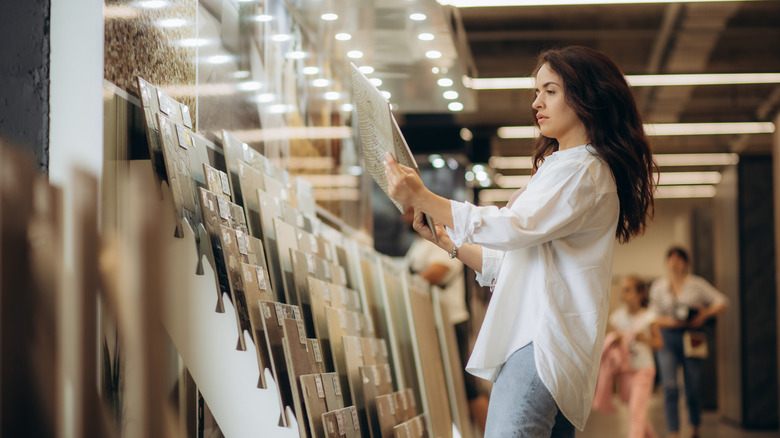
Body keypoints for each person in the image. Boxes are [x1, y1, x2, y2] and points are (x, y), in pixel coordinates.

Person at [383, 45, 656, 437]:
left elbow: (514, 227)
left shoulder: (585, 170)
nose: (536, 103)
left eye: (550, 91)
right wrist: (449, 243)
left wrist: (426, 199)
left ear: (586, 97)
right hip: (541, 345)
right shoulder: (565, 167)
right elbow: (512, 258)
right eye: (536, 92)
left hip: (541, 345)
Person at [401, 206, 490, 433]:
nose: (406, 218)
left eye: (410, 212)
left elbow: (439, 271)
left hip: (450, 322)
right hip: (430, 324)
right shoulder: (417, 246)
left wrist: (408, 285)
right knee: (445, 386)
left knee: (467, 387)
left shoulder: (440, 242)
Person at [649, 247, 727, 438]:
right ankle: (673, 432)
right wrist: (673, 322)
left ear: (686, 262)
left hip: (693, 336)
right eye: (671, 259)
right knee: (670, 386)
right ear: (667, 262)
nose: (675, 263)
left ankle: (694, 426)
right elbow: (652, 316)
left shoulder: (696, 284)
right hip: (668, 337)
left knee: (693, 384)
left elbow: (722, 301)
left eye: (679, 259)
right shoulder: (659, 286)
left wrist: (703, 315)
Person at [593, 275, 663, 438]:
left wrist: (646, 339)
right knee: (638, 412)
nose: (623, 294)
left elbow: (660, 343)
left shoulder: (649, 317)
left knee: (636, 411)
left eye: (627, 290)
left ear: (640, 294)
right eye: (623, 290)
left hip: (643, 370)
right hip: (625, 370)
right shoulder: (618, 317)